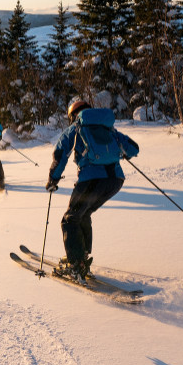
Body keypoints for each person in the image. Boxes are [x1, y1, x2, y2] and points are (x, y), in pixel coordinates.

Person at [46, 100, 140, 282]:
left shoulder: (76, 128)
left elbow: (60, 154)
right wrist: (123, 153)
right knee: (83, 213)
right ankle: (81, 256)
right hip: (115, 180)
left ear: (73, 115)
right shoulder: (109, 129)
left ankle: (76, 265)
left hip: (92, 179)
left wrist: (53, 179)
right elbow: (133, 148)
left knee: (70, 219)